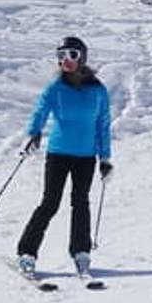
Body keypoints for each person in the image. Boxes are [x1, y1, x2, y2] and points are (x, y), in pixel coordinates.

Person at [16, 36, 113, 278]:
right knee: (50, 202)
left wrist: (105, 158)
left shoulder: (98, 90)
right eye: (60, 56)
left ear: (82, 57)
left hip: (86, 156)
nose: (65, 61)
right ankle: (27, 253)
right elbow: (40, 111)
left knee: (81, 203)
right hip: (58, 153)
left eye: (71, 55)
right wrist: (33, 133)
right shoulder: (55, 88)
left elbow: (103, 125)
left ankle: (81, 253)